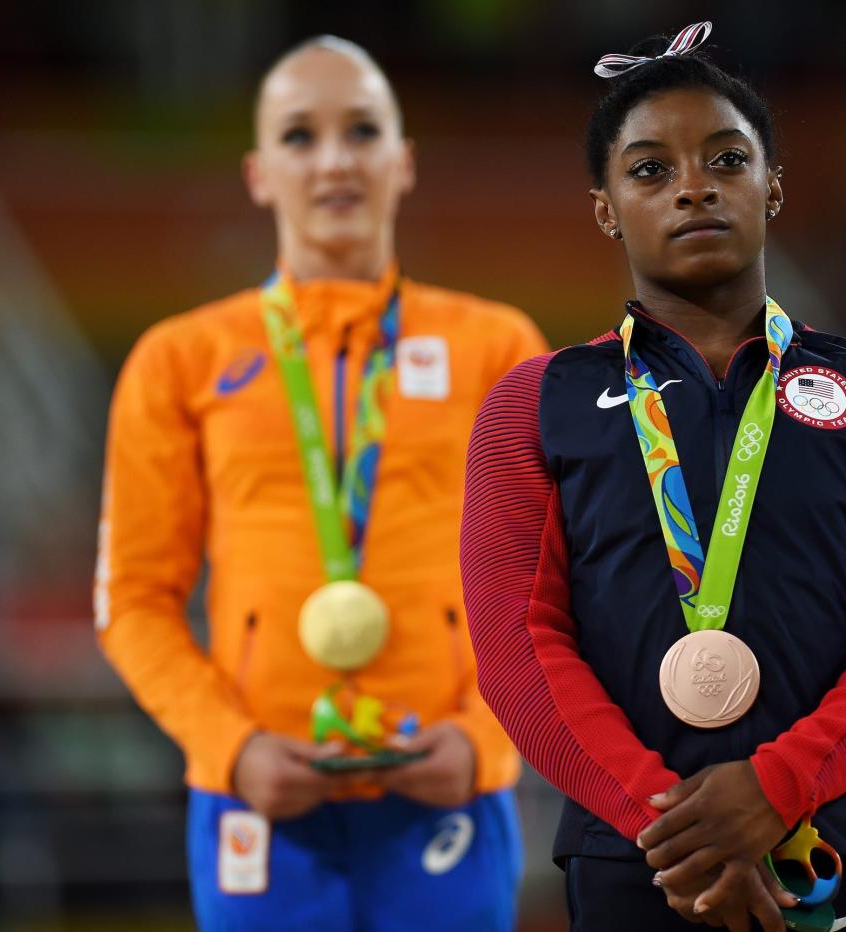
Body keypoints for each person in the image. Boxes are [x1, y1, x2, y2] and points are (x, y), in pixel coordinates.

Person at [461, 22, 846, 932]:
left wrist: (776, 789)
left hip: (832, 848)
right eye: (650, 169)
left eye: (726, 159)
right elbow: (518, 652)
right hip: (636, 859)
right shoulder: (534, 404)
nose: (693, 184)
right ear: (606, 207)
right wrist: (679, 829)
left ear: (772, 187)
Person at [95, 36, 547, 931]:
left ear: (403, 161)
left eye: (363, 130)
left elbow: (551, 583)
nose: (335, 159)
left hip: (450, 789)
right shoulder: (180, 360)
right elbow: (133, 601)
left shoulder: (497, 349)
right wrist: (231, 748)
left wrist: (486, 741)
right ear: (259, 173)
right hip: (257, 796)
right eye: (300, 136)